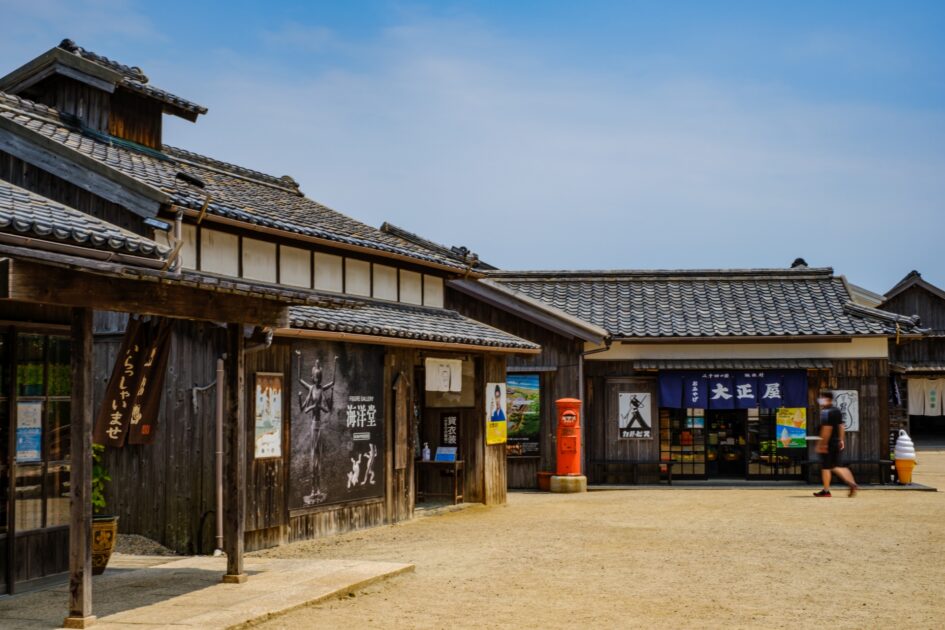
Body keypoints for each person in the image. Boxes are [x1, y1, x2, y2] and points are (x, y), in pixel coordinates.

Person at [814, 390, 859, 497]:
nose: (820, 400)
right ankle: (852, 483)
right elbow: (841, 426)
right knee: (837, 465)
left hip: (829, 443)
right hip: (836, 442)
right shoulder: (837, 410)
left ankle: (826, 491)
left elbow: (827, 429)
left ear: (827, 399)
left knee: (827, 467)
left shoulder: (826, 412)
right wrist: (841, 440)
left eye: (821, 398)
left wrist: (822, 444)